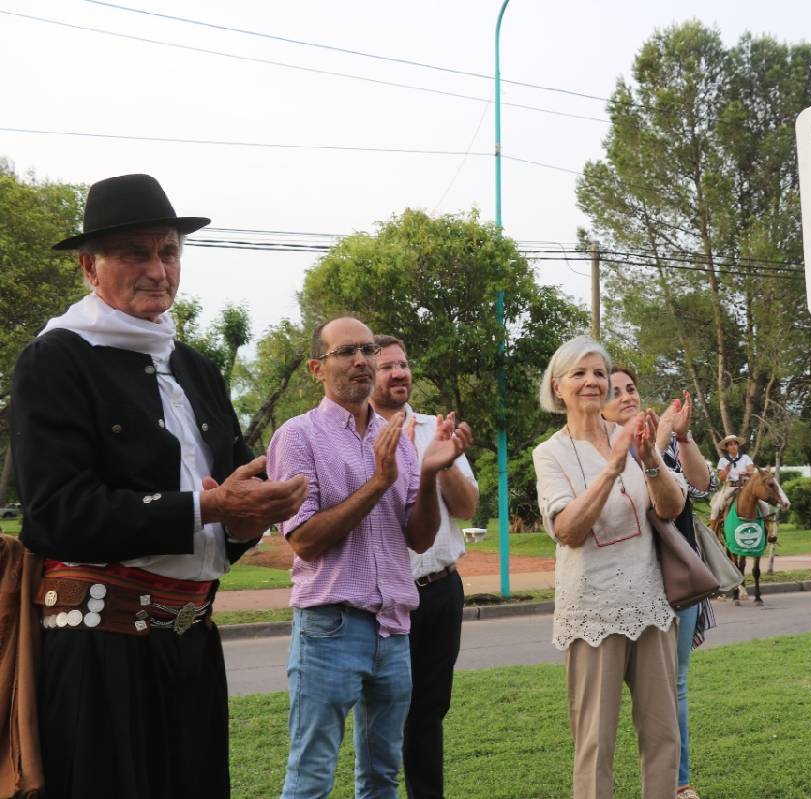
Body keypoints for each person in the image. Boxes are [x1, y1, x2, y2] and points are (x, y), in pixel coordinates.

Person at [9, 173, 308, 799]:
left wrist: (248, 519)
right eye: (134, 253)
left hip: (192, 642)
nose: (158, 269)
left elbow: (229, 502)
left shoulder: (194, 367)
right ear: (90, 267)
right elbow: (56, 514)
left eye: (169, 251)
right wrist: (205, 506)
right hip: (98, 652)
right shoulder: (57, 358)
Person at [267, 316, 472, 799]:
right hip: (330, 625)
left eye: (366, 350)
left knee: (382, 774)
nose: (361, 360)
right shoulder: (298, 437)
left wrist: (427, 473)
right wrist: (378, 482)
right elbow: (305, 540)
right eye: (346, 352)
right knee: (311, 773)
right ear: (317, 368)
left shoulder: (397, 439)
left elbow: (419, 540)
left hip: (393, 629)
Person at [533, 336, 686, 799]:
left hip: (650, 605)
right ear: (558, 387)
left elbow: (671, 508)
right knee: (595, 743)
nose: (592, 382)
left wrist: (650, 460)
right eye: (579, 374)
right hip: (592, 612)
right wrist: (612, 467)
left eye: (599, 373)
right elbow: (568, 530)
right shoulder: (550, 454)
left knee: (664, 737)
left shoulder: (630, 434)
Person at [369, 334, 478, 799]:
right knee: (381, 711)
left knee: (430, 710)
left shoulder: (438, 427)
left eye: (404, 364)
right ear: (364, 374)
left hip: (440, 591)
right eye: (386, 366)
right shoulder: (355, 433)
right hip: (383, 594)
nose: (399, 373)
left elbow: (469, 507)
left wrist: (440, 461)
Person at [602, 368, 717, 799]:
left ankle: (677, 781)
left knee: (676, 684)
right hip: (628, 584)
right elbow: (648, 504)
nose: (627, 396)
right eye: (615, 392)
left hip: (676, 582)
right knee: (623, 691)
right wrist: (659, 441)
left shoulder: (659, 440)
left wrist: (681, 439)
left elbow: (702, 487)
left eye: (631, 388)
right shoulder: (604, 448)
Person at [708, 434, 755, 523]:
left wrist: (746, 473)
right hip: (730, 487)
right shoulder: (722, 460)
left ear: (738, 445)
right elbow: (721, 478)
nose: (733, 446)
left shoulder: (746, 458)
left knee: (763, 504)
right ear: (727, 448)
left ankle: (768, 528)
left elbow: (752, 473)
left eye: (735, 444)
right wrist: (726, 471)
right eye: (730, 444)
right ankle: (713, 530)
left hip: (746, 487)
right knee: (716, 507)